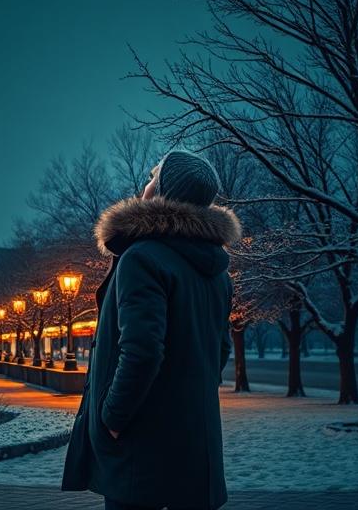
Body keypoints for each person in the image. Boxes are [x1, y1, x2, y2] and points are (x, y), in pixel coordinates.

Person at [60, 149, 242, 510]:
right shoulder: (217, 271)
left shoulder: (142, 258)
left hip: (141, 445)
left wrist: (113, 416)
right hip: (194, 441)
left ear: (162, 193)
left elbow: (142, 351)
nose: (145, 184)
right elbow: (221, 349)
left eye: (153, 177)